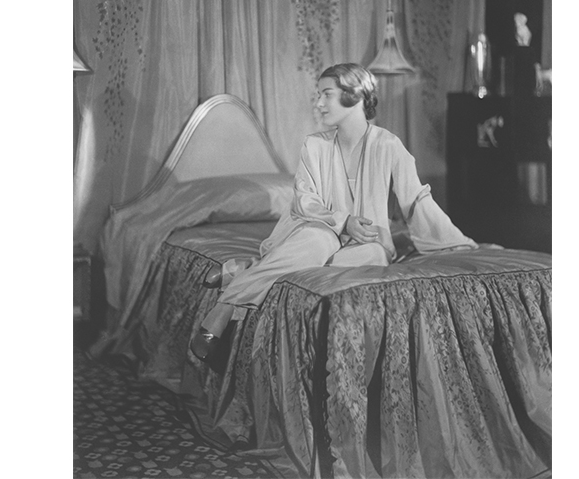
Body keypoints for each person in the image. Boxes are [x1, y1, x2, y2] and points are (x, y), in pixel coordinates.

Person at [190, 63, 477, 361]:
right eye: (318, 95)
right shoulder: (314, 146)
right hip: (316, 231)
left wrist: (457, 242)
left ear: (354, 96)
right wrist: (343, 223)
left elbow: (415, 201)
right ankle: (222, 309)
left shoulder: (388, 145)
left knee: (377, 255)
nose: (318, 103)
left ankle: (251, 270)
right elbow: (304, 202)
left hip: (365, 244)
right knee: (319, 241)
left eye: (326, 94)